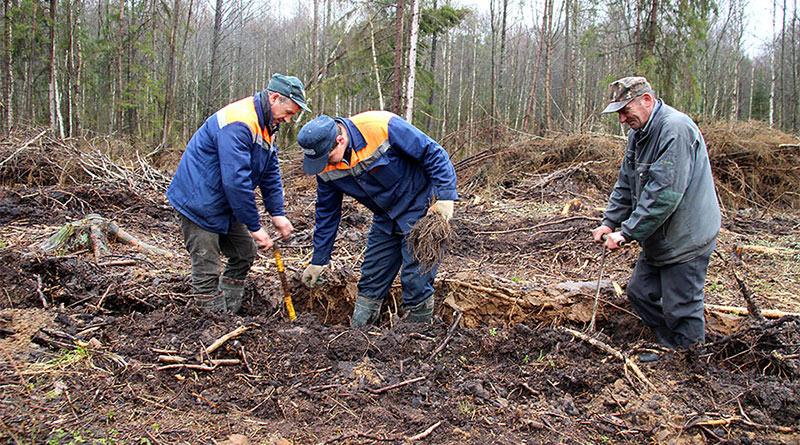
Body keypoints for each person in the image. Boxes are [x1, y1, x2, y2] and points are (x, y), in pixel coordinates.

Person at [591, 76, 720, 355]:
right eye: (619, 113)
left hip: (686, 236)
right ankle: (670, 347)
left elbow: (664, 194)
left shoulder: (675, 129)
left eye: (625, 111)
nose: (622, 119)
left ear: (647, 101)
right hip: (660, 235)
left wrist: (627, 232)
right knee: (640, 292)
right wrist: (609, 222)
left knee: (681, 306)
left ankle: (691, 362)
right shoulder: (639, 134)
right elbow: (626, 183)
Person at [297, 111, 458, 327]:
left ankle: (417, 336)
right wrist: (319, 259)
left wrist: (446, 196)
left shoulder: (380, 127)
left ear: (340, 140)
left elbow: (433, 153)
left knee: (416, 281)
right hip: (385, 217)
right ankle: (359, 335)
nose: (324, 164)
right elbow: (327, 213)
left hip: (421, 210)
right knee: (371, 279)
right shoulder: (325, 167)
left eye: (326, 158)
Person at [167, 73, 310, 313]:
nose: (288, 120)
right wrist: (255, 226)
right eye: (288, 113)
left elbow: (270, 170)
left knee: (245, 252)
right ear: (274, 98)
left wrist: (277, 212)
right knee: (207, 266)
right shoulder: (240, 121)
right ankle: (212, 321)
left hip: (224, 203)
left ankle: (229, 309)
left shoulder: (267, 125)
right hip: (198, 201)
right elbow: (236, 181)